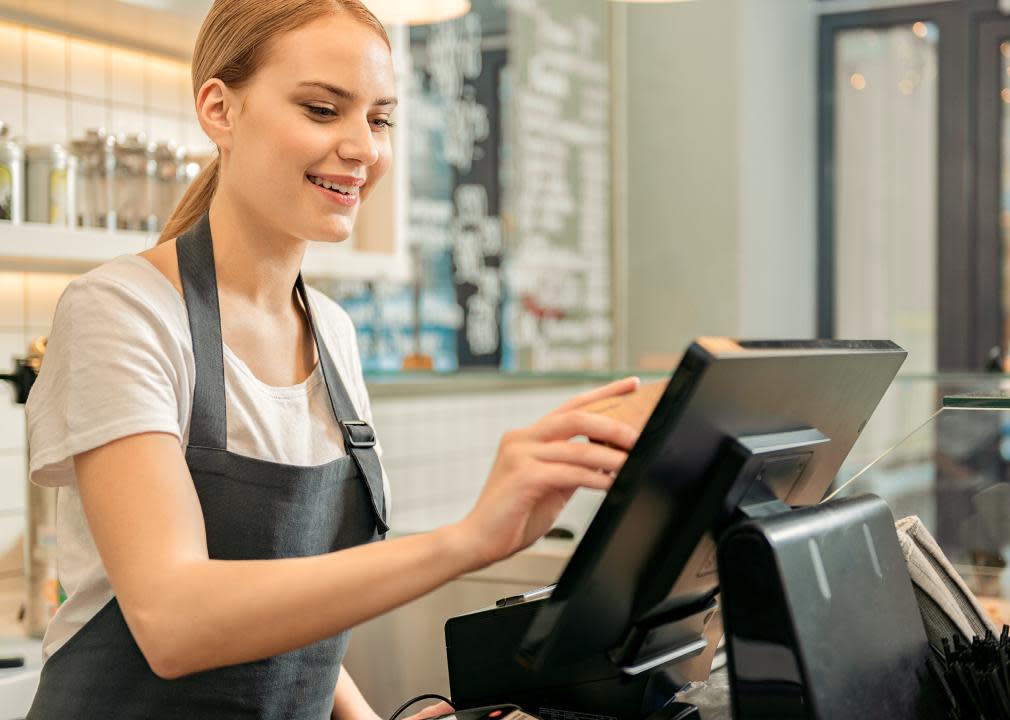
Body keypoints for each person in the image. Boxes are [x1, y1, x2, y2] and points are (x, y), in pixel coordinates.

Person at [23, 1, 640, 718]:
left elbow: (290, 610)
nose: (364, 149)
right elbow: (175, 621)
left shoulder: (334, 334)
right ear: (219, 110)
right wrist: (468, 541)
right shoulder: (122, 311)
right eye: (322, 109)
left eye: (379, 119)